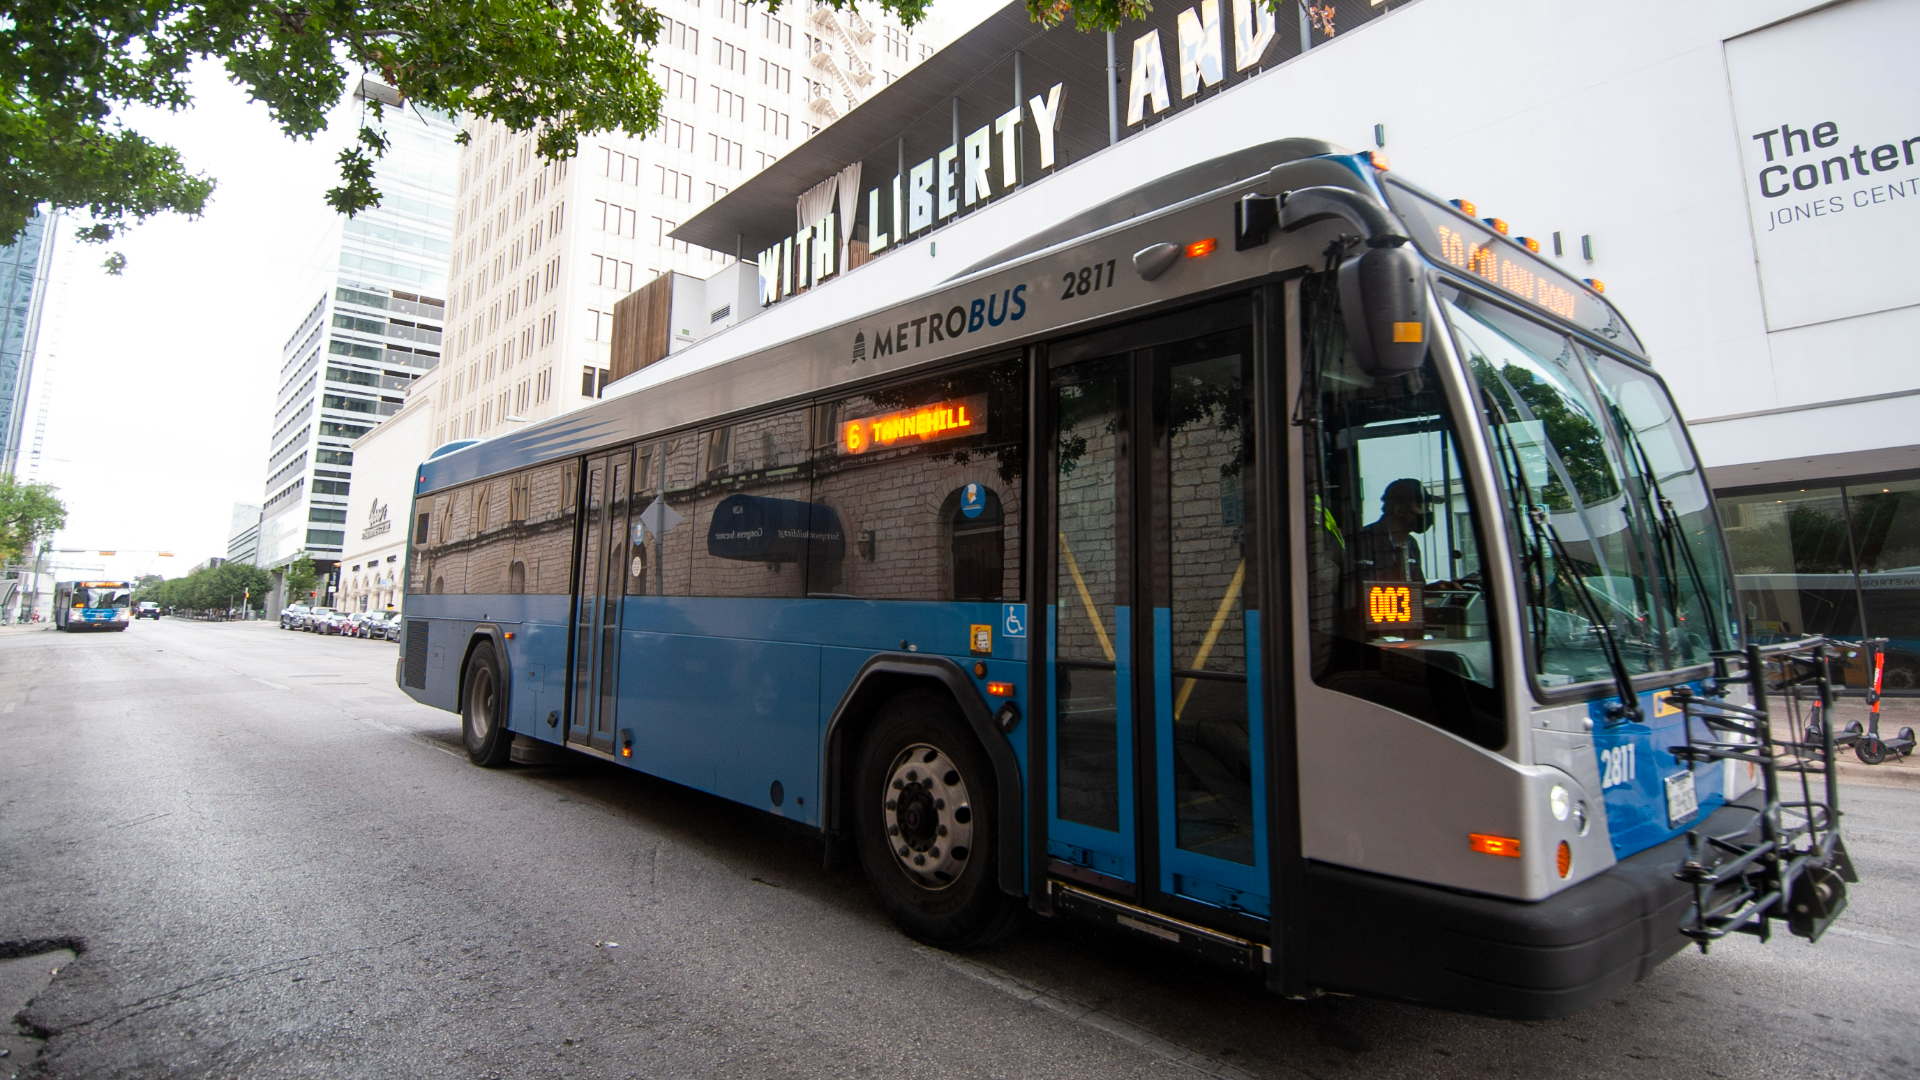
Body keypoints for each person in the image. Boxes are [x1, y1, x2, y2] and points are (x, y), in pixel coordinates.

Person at [1351, 478, 1442, 583]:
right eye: (1422, 507)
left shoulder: (1411, 544)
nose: (1427, 513)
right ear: (1399, 510)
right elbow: (1362, 592)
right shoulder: (1362, 541)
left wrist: (1434, 589)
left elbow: (1416, 589)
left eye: (1428, 508)